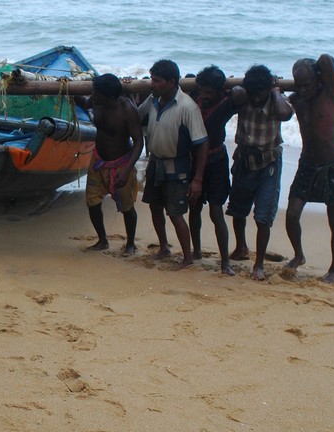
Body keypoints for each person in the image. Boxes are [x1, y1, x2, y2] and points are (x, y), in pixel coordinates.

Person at [285, 55, 334, 283]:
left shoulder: (331, 93)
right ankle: (298, 255)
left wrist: (319, 73)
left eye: (307, 84)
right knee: (292, 214)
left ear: (318, 78)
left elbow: (326, 59)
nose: (303, 90)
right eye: (299, 85)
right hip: (307, 164)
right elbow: (280, 107)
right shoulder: (296, 100)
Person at [138, 59, 209, 269]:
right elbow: (137, 116)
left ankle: (187, 258)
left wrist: (197, 179)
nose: (152, 84)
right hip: (155, 163)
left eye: (157, 81)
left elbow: (202, 144)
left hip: (177, 167)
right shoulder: (152, 99)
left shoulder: (188, 107)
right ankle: (164, 248)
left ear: (171, 82)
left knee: (175, 214)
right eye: (151, 79)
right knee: (155, 207)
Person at [226, 65, 294, 280]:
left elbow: (285, 114)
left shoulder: (277, 101)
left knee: (263, 216)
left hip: (269, 162)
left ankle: (259, 264)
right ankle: (241, 247)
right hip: (244, 160)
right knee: (238, 210)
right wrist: (244, 89)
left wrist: (275, 91)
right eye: (253, 94)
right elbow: (235, 93)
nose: (256, 99)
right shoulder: (244, 98)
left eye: (260, 94)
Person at [189, 66, 246, 275]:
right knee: (194, 206)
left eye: (209, 92)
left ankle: (225, 262)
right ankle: (196, 251)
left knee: (216, 210)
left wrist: (232, 88)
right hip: (193, 159)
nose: (205, 95)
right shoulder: (194, 98)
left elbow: (241, 93)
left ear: (220, 90)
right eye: (202, 91)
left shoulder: (226, 103)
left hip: (216, 159)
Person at [79, 73, 143, 255]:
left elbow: (139, 141)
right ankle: (102, 240)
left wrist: (127, 170)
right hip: (98, 160)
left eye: (97, 94)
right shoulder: (97, 101)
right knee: (92, 202)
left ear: (110, 97)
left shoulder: (126, 109)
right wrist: (67, 90)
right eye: (93, 92)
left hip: (122, 163)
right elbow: (85, 103)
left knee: (127, 207)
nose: (93, 96)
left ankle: (130, 244)